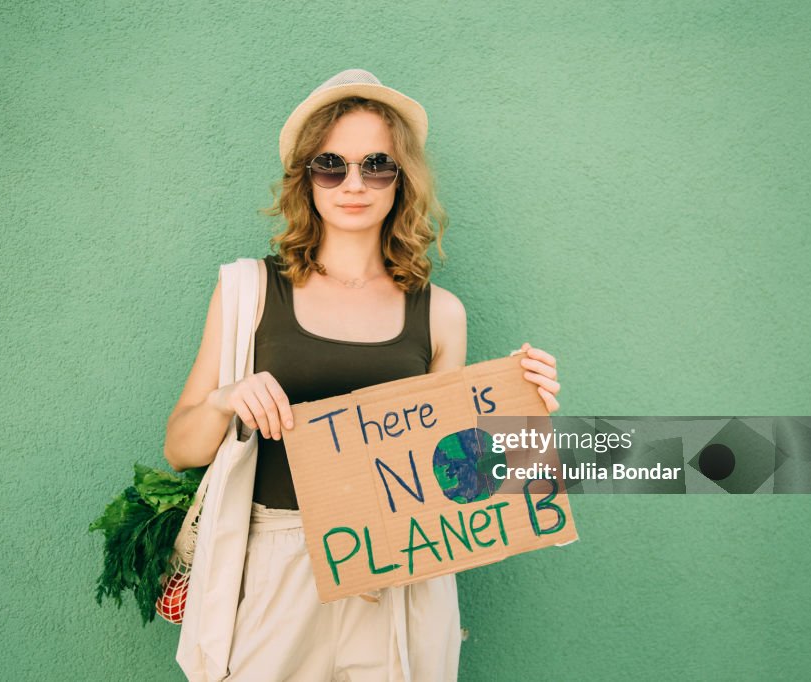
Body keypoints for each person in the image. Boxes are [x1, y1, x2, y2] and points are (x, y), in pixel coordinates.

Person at [164, 69, 561, 682]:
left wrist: (522, 415)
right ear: (307, 177)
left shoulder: (440, 313)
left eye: (377, 165)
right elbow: (180, 448)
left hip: (396, 573)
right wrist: (226, 399)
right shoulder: (247, 290)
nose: (354, 183)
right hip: (277, 563)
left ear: (402, 181)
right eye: (332, 164)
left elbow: (454, 477)